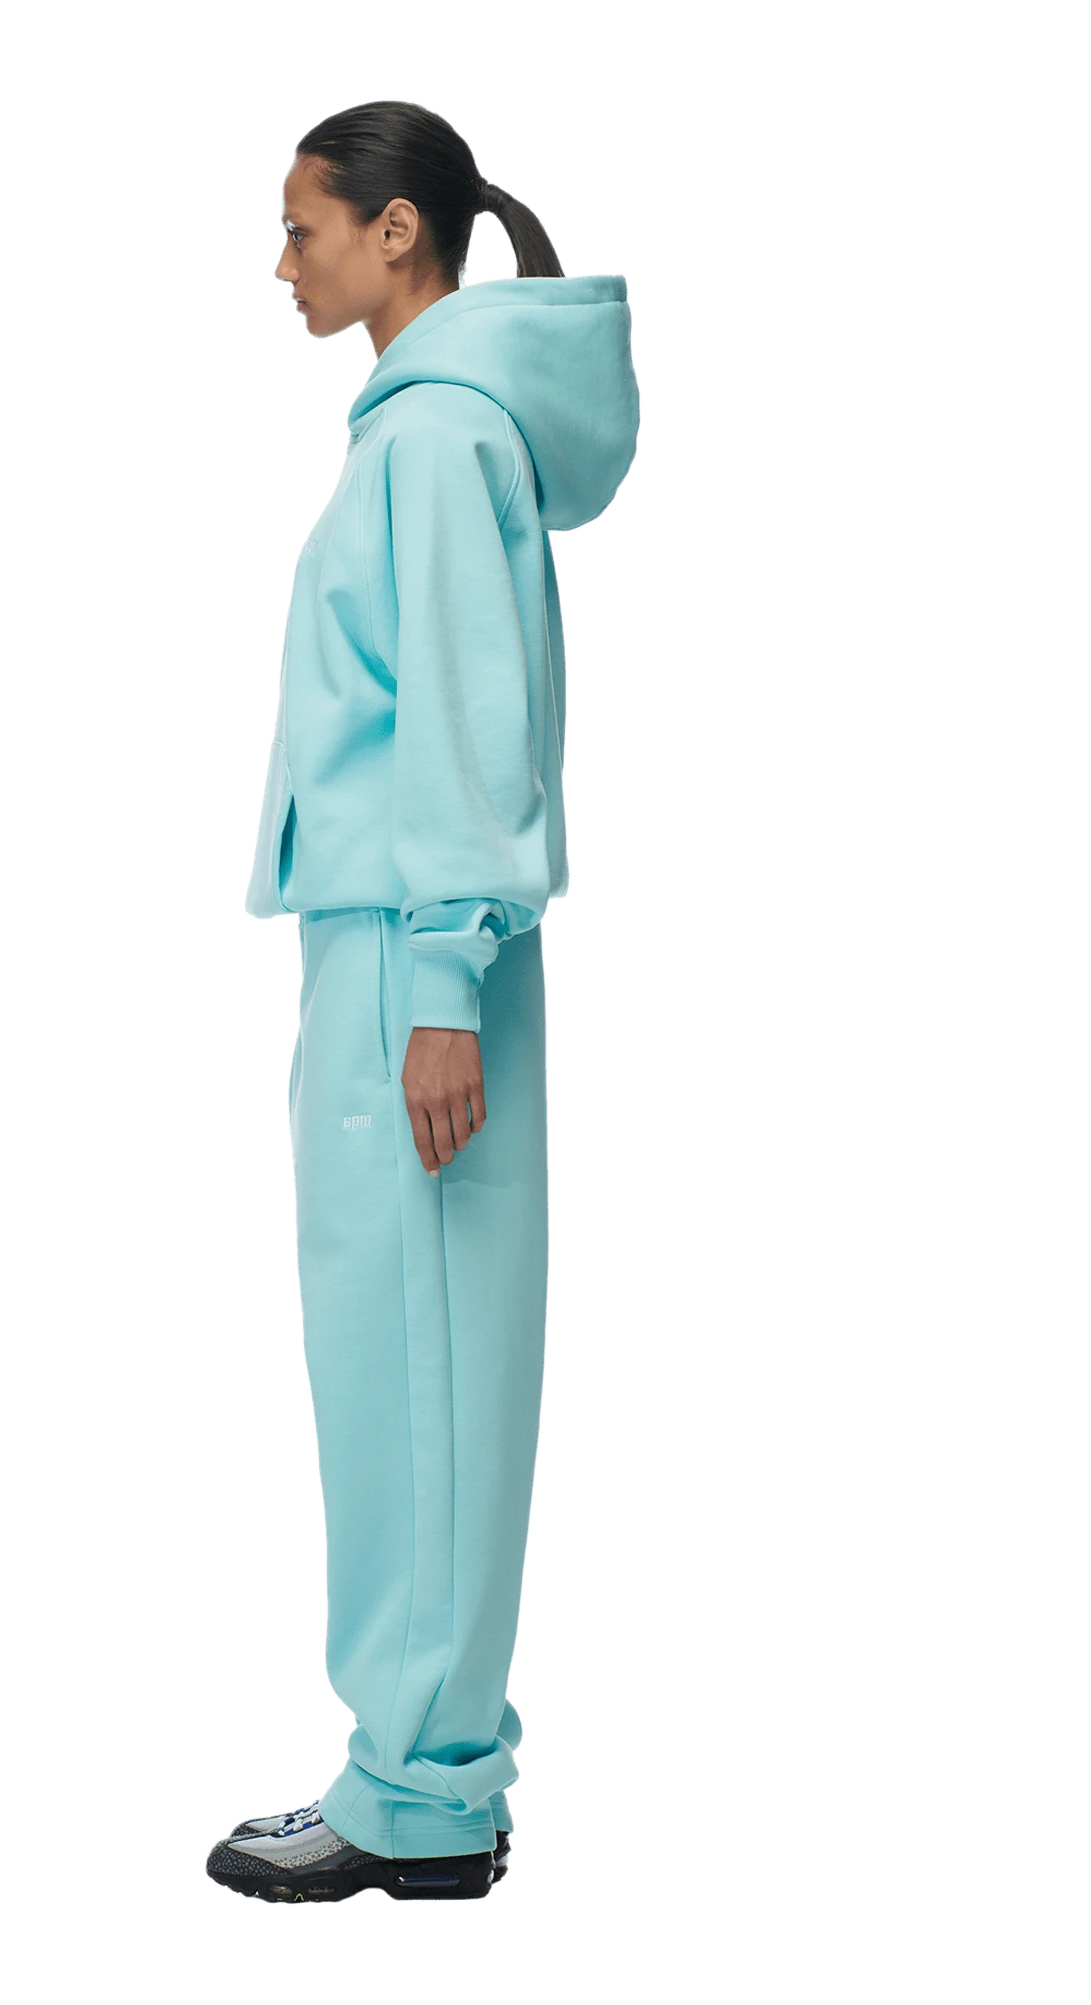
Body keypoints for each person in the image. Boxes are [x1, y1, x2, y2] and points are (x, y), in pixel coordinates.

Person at [206, 101, 639, 1905]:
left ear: (400, 233)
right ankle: (409, 1768)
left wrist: (447, 979)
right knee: (392, 1364)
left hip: (415, 952)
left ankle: (428, 1792)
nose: (285, 263)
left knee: (427, 1365)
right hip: (384, 941)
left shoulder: (445, 432)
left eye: (304, 229)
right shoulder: (416, 423)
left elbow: (467, 712)